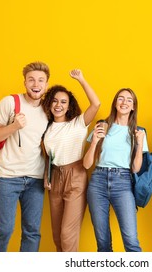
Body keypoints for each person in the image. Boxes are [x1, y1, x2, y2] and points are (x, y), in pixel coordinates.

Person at [0, 61, 50, 252]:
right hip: (7, 176)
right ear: (24, 82)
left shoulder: (48, 109)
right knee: (4, 230)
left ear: (46, 84)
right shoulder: (10, 102)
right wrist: (14, 126)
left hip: (35, 179)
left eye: (41, 80)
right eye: (31, 80)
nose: (36, 84)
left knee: (32, 232)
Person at [42, 69, 100, 252]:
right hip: (55, 179)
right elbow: (47, 157)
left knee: (68, 235)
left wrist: (81, 79)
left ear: (69, 106)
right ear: (50, 103)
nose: (58, 105)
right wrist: (46, 175)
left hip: (75, 177)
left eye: (64, 102)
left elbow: (96, 103)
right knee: (57, 235)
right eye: (55, 101)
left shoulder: (78, 123)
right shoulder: (47, 128)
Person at [83, 88, 148, 252]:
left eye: (129, 100)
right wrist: (95, 141)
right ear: (115, 103)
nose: (124, 102)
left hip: (123, 182)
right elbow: (86, 164)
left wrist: (139, 144)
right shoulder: (102, 126)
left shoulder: (138, 133)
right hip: (98, 181)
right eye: (120, 98)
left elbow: (135, 168)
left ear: (133, 106)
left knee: (131, 241)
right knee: (103, 243)